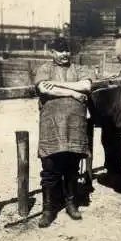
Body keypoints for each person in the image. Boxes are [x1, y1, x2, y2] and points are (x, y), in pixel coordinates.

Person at [33, 36, 96, 228]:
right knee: (50, 167)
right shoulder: (45, 69)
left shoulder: (79, 68)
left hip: (74, 127)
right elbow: (44, 88)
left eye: (67, 50)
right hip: (51, 126)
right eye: (60, 50)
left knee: (71, 167)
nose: (64, 54)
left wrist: (61, 86)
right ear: (52, 52)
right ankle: (48, 209)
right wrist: (73, 93)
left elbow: (86, 86)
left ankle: (71, 203)